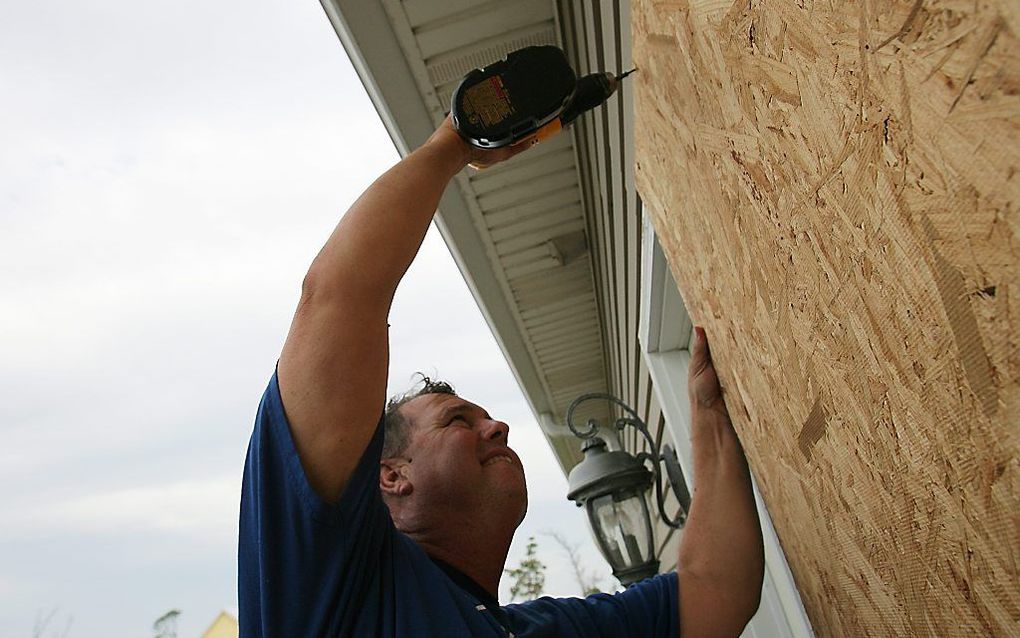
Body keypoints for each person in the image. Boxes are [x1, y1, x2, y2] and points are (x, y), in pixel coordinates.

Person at [238, 118, 765, 637]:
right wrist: (454, 143)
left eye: (485, 418)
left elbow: (716, 589)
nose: (498, 429)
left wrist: (710, 417)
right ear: (392, 476)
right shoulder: (330, 597)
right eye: (457, 421)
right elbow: (340, 296)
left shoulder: (545, 628)